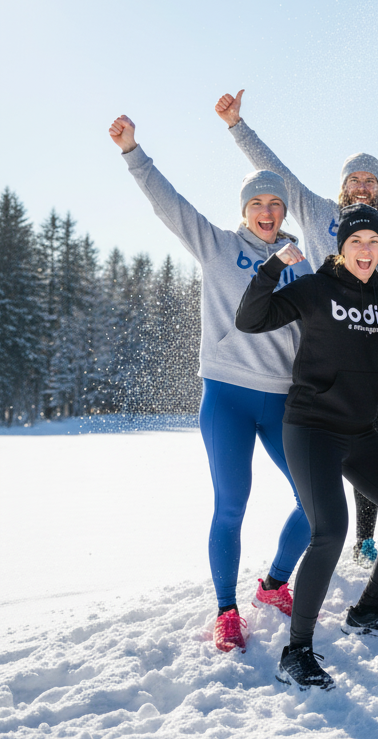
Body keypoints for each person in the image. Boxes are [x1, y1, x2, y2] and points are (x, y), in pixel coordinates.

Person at [109, 115, 312, 654]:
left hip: (283, 399)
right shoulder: (218, 246)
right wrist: (133, 152)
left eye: (275, 205)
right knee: (231, 504)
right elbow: (168, 203)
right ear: (245, 211)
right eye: (258, 205)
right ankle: (226, 609)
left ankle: (272, 585)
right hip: (227, 395)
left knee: (314, 501)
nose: (268, 213)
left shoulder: (303, 264)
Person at [236, 205, 378, 691]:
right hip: (311, 427)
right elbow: (250, 318)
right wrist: (274, 266)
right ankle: (295, 651)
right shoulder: (315, 288)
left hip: (361, 433)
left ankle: (366, 609)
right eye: (356, 242)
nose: (365, 250)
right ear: (341, 249)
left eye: (373, 242)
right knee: (331, 531)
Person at [216, 90, 378, 572]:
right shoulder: (318, 211)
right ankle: (313, 552)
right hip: (317, 361)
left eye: (370, 179)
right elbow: (275, 171)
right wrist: (238, 125)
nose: (362, 185)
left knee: (371, 444)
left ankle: (364, 539)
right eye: (355, 178)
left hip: (369, 356)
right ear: (343, 185)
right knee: (320, 471)